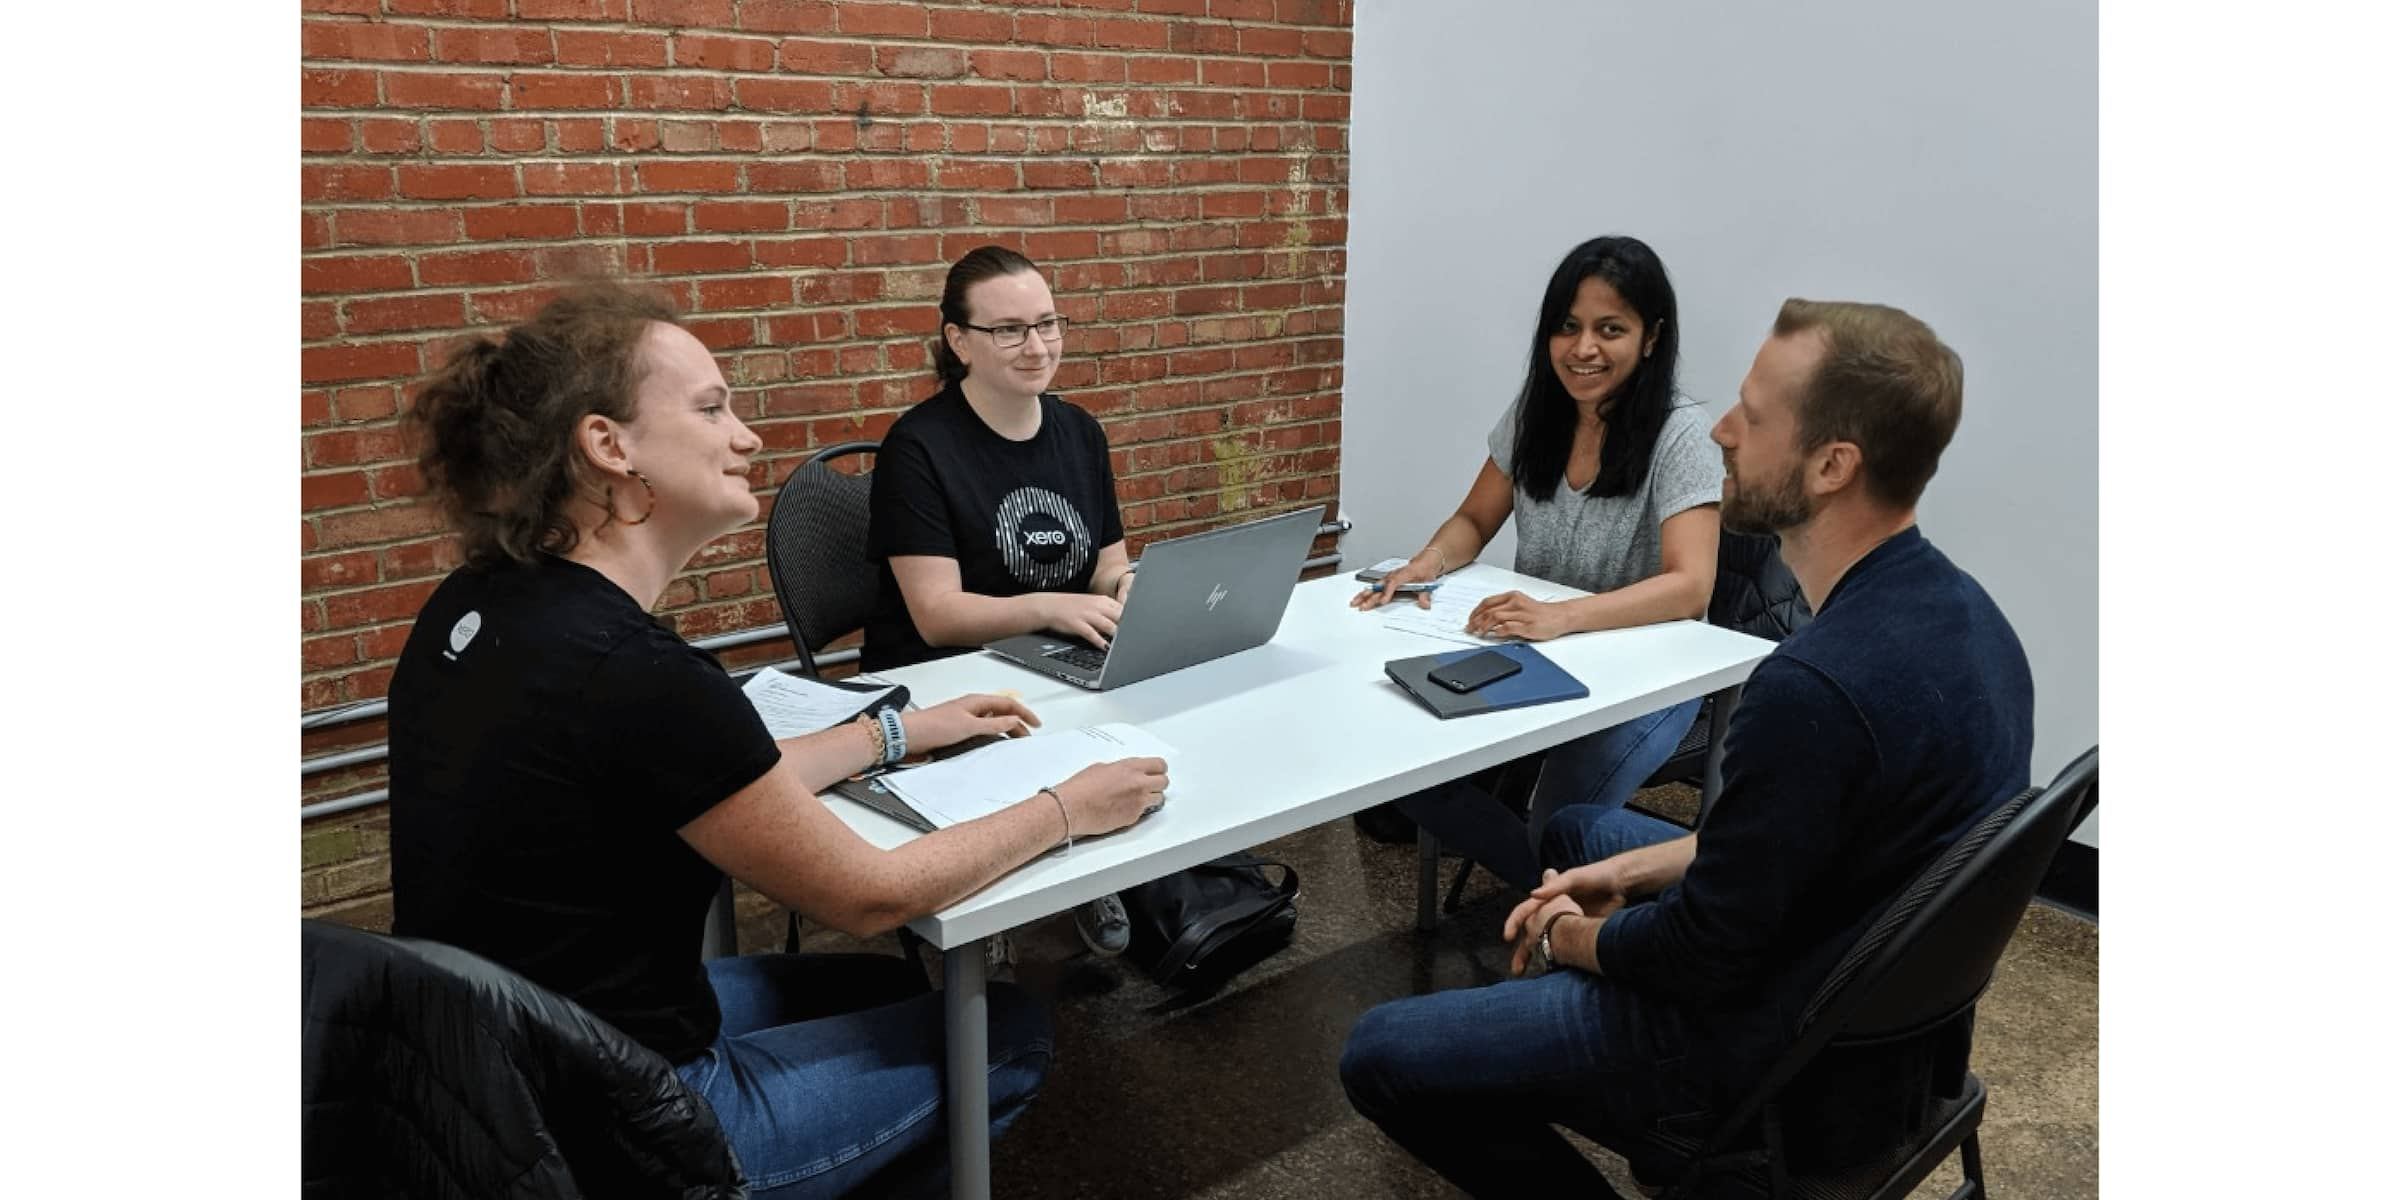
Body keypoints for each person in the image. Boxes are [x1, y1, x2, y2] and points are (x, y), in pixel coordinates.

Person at [386, 283, 1171, 1199]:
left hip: (483, 1074)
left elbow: (716, 777)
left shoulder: (482, 604)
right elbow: (872, 896)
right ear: (610, 447)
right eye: (713, 409)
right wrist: (1068, 810)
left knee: (896, 997)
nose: (748, 437)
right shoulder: (636, 673)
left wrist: (893, 732)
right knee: (1001, 1033)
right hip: (620, 1125)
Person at [1339, 298, 2037, 1196]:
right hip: (1877, 1013)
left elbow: (1702, 954)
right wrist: (1627, 878)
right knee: (1585, 835)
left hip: (1765, 1055)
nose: (1723, 430)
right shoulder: (1975, 622)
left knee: (1380, 1052)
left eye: (1753, 414)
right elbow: (1817, 844)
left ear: (1832, 465)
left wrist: (1573, 941)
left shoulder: (1812, 689)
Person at [1353, 235, 1723, 890]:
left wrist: (1560, 617)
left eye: (1610, 329)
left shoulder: (1681, 432)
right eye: (1567, 328)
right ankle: (1578, 889)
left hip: (1649, 675)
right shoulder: (1536, 412)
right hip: (1538, 651)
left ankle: (1605, 892)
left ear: (1652, 336)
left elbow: (1690, 588)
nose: (1583, 350)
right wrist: (1427, 562)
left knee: (1559, 824)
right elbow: (1473, 520)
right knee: (1405, 769)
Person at [864, 245, 1138, 957]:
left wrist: (1127, 590)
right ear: (959, 342)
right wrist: (1050, 605)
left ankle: (1100, 860)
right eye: (1009, 329)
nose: (1037, 346)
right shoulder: (918, 448)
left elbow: (1108, 566)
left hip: (1056, 661)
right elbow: (937, 613)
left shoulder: (1079, 431)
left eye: (1047, 324)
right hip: (949, 677)